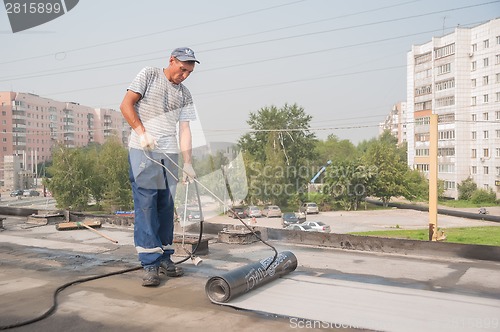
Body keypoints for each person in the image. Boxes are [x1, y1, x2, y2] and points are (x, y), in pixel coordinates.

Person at [120, 47, 199, 287]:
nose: (184, 75)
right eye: (182, 69)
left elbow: (185, 129)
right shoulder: (149, 75)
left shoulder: (185, 94)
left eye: (189, 72)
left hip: (169, 154)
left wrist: (187, 163)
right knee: (147, 205)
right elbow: (126, 105)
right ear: (171, 61)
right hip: (143, 151)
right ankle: (150, 263)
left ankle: (165, 257)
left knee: (166, 205)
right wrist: (142, 133)